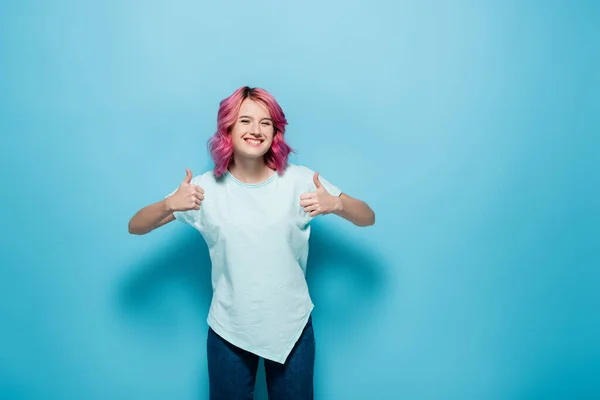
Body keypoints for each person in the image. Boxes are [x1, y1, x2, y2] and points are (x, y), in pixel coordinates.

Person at [128, 86, 375, 399]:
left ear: (275, 132)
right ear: (228, 128)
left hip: (292, 330)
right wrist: (169, 204)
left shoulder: (300, 181)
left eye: (265, 122)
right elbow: (136, 226)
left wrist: (337, 204)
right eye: (245, 121)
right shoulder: (204, 190)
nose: (256, 130)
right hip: (229, 331)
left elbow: (367, 216)